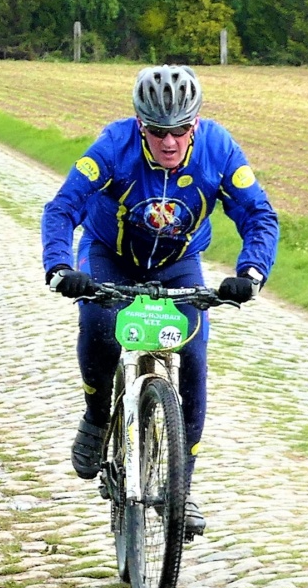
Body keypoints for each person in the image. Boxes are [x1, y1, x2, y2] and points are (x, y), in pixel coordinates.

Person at [39, 63, 278, 541]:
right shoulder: (113, 145)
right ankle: (95, 415)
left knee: (192, 355)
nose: (169, 143)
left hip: (178, 261)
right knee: (100, 327)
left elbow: (258, 214)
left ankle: (181, 486)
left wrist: (251, 274)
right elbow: (63, 206)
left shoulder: (218, 149)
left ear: (196, 124)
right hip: (110, 254)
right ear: (139, 124)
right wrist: (61, 267)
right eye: (156, 132)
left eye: (180, 131)